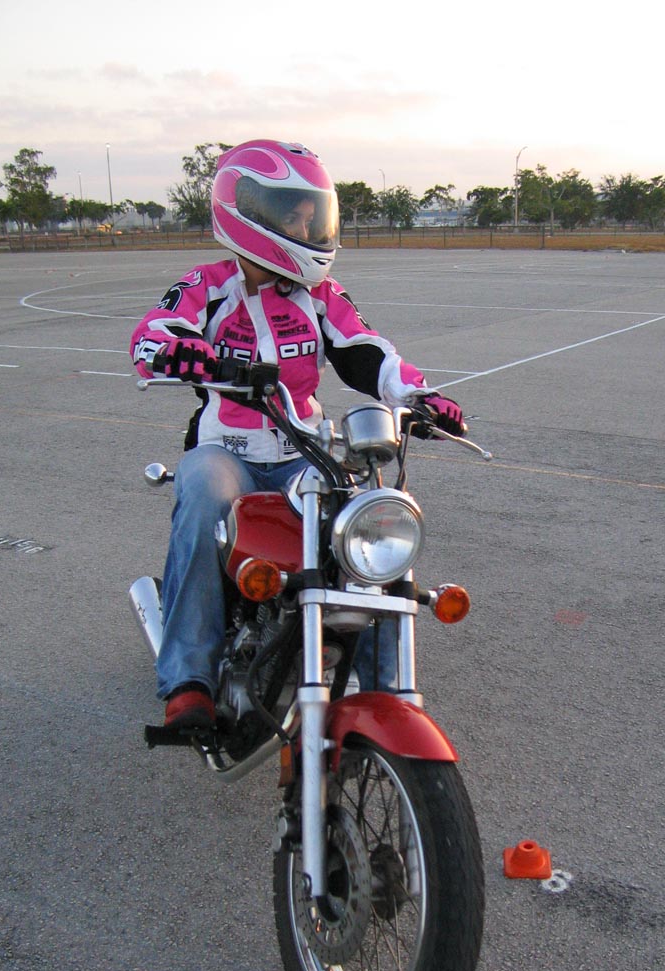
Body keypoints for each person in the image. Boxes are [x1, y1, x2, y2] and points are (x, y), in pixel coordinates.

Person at [130, 139, 464, 730]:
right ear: (248, 211)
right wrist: (182, 352)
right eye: (295, 217)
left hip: (304, 451)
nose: (308, 228)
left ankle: (387, 688)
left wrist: (420, 396)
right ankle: (188, 678)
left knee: (366, 514)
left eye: (313, 216)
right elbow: (156, 332)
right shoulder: (209, 285)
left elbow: (369, 352)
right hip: (226, 450)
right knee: (202, 492)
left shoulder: (321, 297)